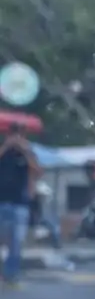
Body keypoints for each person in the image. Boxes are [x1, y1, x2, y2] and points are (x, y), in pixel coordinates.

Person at [0, 122, 38, 289]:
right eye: (13, 135)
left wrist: (26, 151)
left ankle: (11, 275)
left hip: (19, 204)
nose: (16, 138)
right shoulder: (4, 152)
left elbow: (37, 171)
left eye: (20, 135)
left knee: (16, 242)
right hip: (1, 201)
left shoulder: (27, 154)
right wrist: (5, 147)